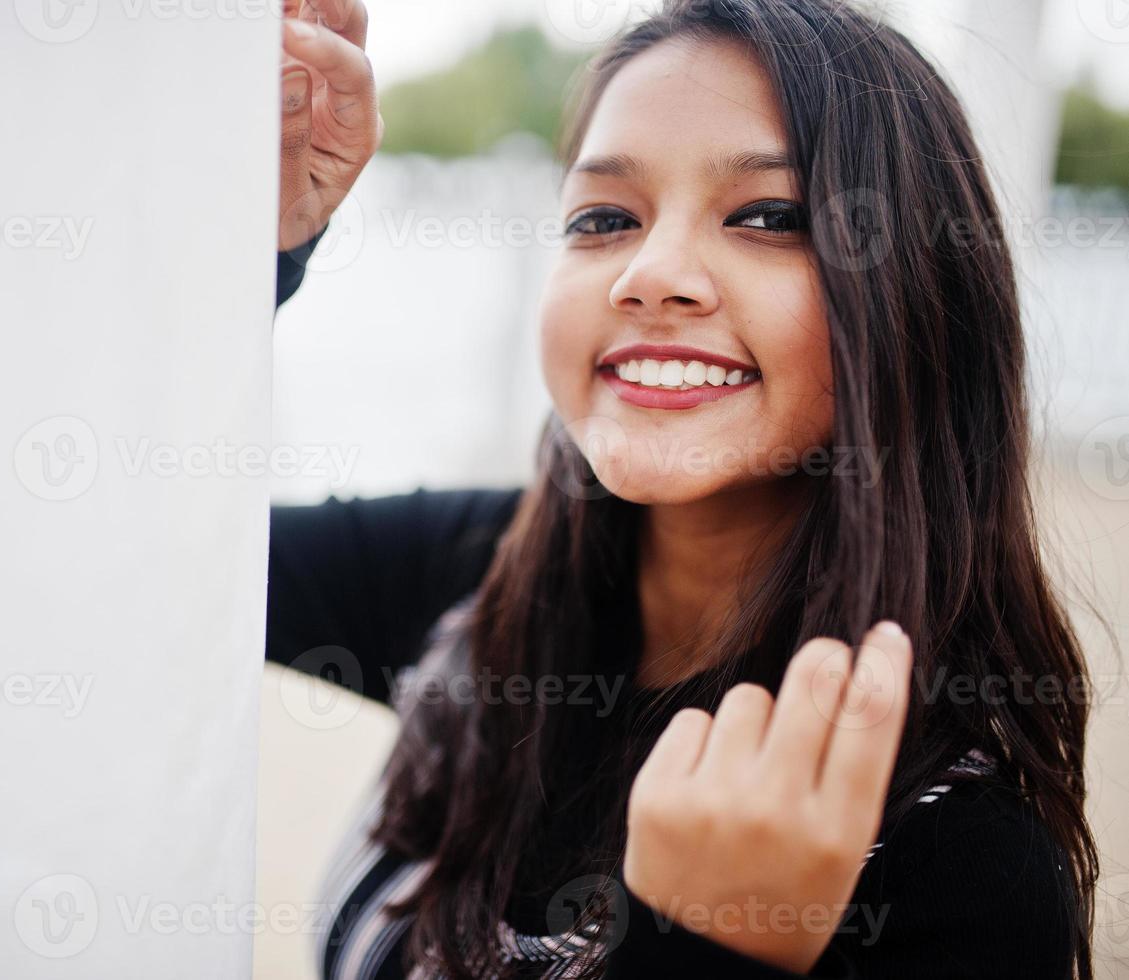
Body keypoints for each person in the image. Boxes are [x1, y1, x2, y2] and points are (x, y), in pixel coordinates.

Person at [267, 0, 1099, 977]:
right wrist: (252, 253)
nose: (650, 275)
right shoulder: (479, 576)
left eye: (768, 217)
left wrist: (714, 949)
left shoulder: (959, 863)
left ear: (918, 292)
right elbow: (122, 557)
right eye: (606, 219)